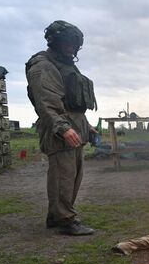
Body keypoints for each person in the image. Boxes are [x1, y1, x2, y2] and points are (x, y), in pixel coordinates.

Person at [25, 20, 97, 235]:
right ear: (55, 41)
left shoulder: (65, 64)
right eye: (68, 44)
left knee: (72, 176)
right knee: (63, 177)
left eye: (75, 45)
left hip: (74, 128)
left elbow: (73, 104)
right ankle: (65, 220)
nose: (72, 49)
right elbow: (46, 104)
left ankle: (56, 216)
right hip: (59, 131)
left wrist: (87, 126)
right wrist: (63, 128)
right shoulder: (43, 65)